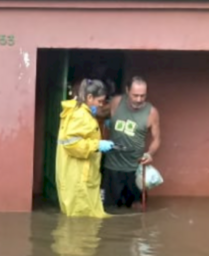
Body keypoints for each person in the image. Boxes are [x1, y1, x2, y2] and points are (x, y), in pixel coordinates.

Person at [102, 77, 160, 211]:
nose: (139, 100)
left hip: (135, 169)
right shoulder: (116, 102)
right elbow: (99, 112)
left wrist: (150, 154)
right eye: (135, 95)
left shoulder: (152, 112)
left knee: (136, 212)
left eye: (143, 96)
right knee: (108, 209)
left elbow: (156, 139)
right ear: (127, 91)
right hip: (112, 168)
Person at [56, 78, 112, 218]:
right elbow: (71, 144)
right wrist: (97, 145)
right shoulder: (80, 115)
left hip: (79, 174)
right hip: (79, 177)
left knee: (83, 221)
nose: (100, 105)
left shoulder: (80, 112)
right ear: (89, 97)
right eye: (99, 101)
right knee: (81, 222)